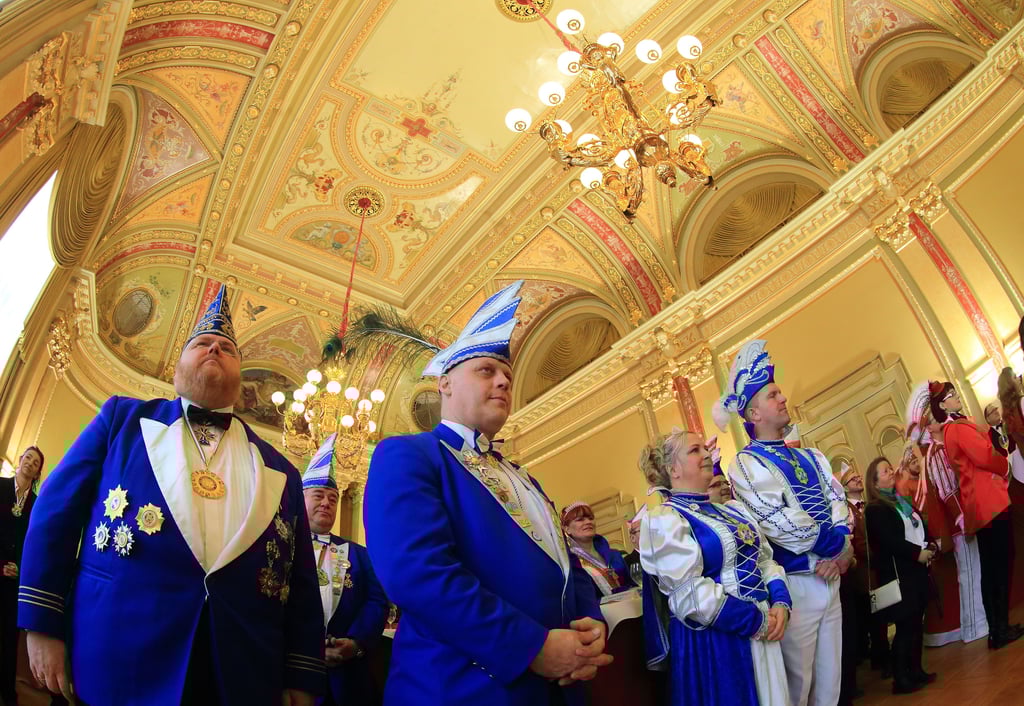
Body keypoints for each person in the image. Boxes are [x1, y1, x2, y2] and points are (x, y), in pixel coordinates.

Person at [17, 285, 324, 705]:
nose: (214, 349)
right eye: (202, 343)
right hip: (118, 653)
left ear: (241, 378)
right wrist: (42, 622)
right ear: (177, 368)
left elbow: (301, 581)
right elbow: (55, 515)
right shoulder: (121, 419)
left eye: (227, 349)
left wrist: (302, 675)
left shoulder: (282, 471)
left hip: (240, 672)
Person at [363, 281, 612, 706]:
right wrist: (530, 647)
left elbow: (566, 563)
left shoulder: (524, 478)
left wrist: (590, 622)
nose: (502, 382)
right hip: (460, 689)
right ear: (444, 383)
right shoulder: (408, 454)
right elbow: (417, 573)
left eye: (508, 377)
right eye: (486, 371)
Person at [714, 339, 852, 706]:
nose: (783, 398)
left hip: (831, 575)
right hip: (797, 584)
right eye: (773, 395)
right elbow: (779, 522)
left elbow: (838, 501)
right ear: (754, 413)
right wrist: (836, 545)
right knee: (796, 686)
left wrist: (841, 545)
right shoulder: (746, 464)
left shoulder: (812, 456)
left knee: (831, 683)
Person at [638, 427, 791, 705]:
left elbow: (764, 560)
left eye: (705, 448)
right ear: (673, 469)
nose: (706, 454)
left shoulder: (731, 510)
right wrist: (754, 621)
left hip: (766, 624)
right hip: (718, 642)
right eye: (694, 450)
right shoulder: (665, 520)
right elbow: (689, 594)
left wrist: (780, 601)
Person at [930, 380, 1022, 649]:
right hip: (988, 501)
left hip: (981, 504)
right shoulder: (957, 428)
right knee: (1000, 564)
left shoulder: (953, 428)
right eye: (951, 395)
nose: (956, 396)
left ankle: (998, 627)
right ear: (942, 405)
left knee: (994, 566)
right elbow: (984, 455)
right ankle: (999, 629)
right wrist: (1004, 466)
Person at [302, 434, 388, 706]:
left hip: (348, 679)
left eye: (333, 498)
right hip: (293, 674)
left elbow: (376, 602)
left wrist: (356, 642)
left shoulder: (361, 555)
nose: (327, 503)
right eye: (319, 496)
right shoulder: (283, 545)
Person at [903, 382, 987, 647]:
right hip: (959, 523)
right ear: (930, 427)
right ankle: (973, 626)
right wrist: (964, 519)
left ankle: (977, 623)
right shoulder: (936, 453)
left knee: (972, 571)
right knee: (969, 573)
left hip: (962, 520)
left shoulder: (937, 450)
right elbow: (948, 491)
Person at [864, 454, 937, 694]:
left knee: (917, 623)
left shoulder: (899, 501)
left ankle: (916, 670)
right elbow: (889, 541)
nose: (891, 471)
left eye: (889, 468)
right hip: (899, 573)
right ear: (875, 483)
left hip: (916, 570)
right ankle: (901, 678)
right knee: (906, 626)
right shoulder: (875, 509)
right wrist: (917, 553)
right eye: (885, 471)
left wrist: (928, 545)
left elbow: (917, 525)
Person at [0, 446, 43, 704]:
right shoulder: (1, 486)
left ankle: (7, 691)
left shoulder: (37, 505)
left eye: (36, 462)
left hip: (16, 579)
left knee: (9, 637)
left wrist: (20, 567)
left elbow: (33, 543)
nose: (30, 463)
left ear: (37, 472)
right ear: (20, 460)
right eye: (28, 457)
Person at [837, 462, 871, 704]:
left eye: (858, 476)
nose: (858, 479)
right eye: (852, 478)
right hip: (853, 570)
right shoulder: (845, 510)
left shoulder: (866, 506)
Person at [561, 501, 631, 599]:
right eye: (580, 519)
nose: (588, 522)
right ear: (567, 529)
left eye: (591, 518)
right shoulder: (569, 564)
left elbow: (632, 584)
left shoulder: (614, 555)